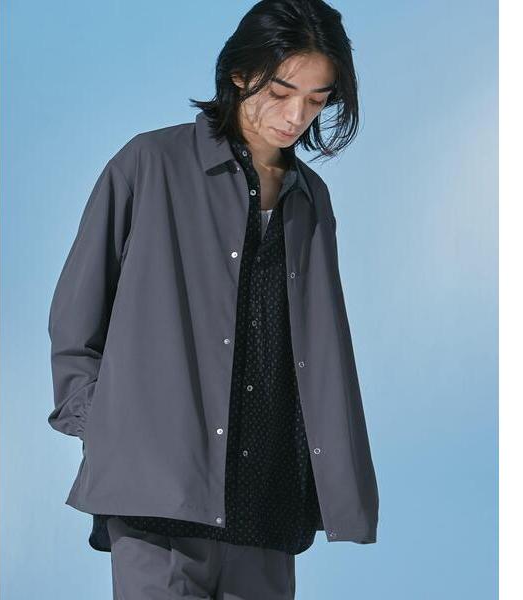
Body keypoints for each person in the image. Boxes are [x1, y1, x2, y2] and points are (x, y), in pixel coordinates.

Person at [47, 0, 379, 598]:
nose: (296, 115)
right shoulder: (149, 163)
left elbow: (317, 345)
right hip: (159, 495)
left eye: (316, 99)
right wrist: (105, 424)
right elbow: (77, 317)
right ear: (239, 73)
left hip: (268, 499)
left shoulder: (311, 199)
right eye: (281, 92)